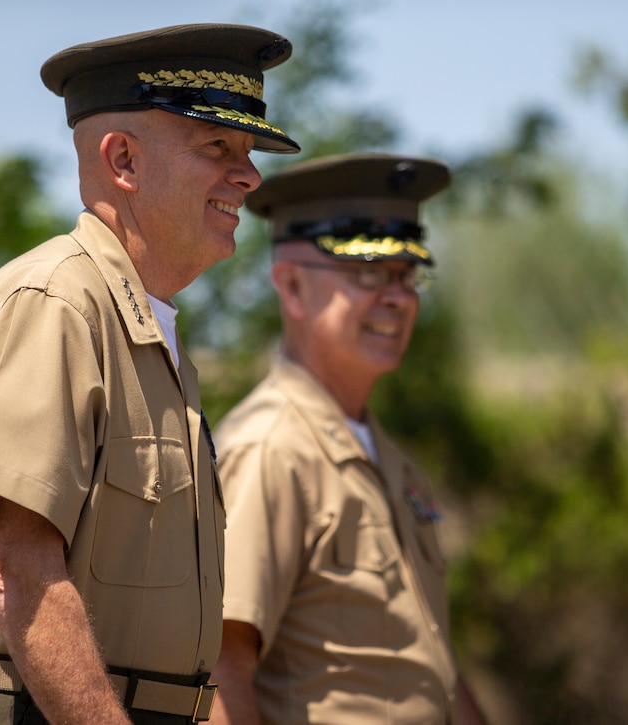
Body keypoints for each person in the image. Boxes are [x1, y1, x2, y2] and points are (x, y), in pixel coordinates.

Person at [0, 23, 299, 724]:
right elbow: (17, 571)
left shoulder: (148, 333)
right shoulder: (58, 302)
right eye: (217, 146)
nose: (248, 176)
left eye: (249, 153)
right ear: (123, 159)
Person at [210, 152, 489, 724]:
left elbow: (429, 668)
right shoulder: (270, 449)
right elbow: (218, 667)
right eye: (367, 272)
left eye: (408, 275)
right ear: (291, 287)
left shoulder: (393, 462)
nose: (397, 297)